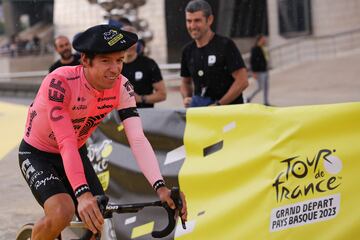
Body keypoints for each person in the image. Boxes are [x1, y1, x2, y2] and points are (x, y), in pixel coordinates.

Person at [18, 24, 187, 240]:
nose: (115, 69)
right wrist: (82, 194)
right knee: (63, 211)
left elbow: (137, 139)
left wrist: (161, 188)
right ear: (85, 61)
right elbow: (66, 141)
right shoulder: (60, 82)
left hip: (76, 151)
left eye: (119, 60)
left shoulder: (122, 87)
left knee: (98, 219)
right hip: (38, 153)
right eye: (106, 61)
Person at [180, 0, 248, 108]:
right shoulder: (187, 51)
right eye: (189, 21)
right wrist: (186, 98)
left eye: (197, 20)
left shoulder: (225, 45)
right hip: (202, 116)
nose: (192, 26)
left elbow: (242, 81)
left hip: (229, 115)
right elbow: (185, 82)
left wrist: (218, 105)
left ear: (209, 20)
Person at [121, 26, 166, 108]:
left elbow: (162, 94)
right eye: (125, 41)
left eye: (132, 41)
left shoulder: (148, 64)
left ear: (137, 42)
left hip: (144, 113)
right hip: (120, 115)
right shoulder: (114, 66)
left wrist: (141, 99)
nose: (129, 44)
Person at [248, 34, 271, 106]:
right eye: (263, 39)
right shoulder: (255, 49)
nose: (265, 40)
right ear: (260, 40)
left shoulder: (263, 48)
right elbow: (252, 61)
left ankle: (266, 102)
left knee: (266, 87)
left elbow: (266, 58)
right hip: (259, 71)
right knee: (260, 87)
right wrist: (253, 72)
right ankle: (249, 98)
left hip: (265, 70)